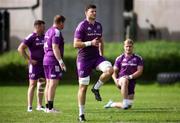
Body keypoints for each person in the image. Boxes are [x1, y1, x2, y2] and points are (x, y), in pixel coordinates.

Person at [74, 4, 113, 122]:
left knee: (110, 70)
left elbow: (100, 41)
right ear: (86, 13)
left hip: (96, 57)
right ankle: (81, 115)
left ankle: (96, 88)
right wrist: (90, 43)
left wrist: (101, 54)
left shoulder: (99, 26)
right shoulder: (81, 26)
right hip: (83, 60)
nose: (94, 13)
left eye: (95, 11)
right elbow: (75, 44)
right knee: (83, 87)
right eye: (92, 11)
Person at [104, 38, 144, 109]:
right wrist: (115, 80)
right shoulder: (119, 58)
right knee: (125, 80)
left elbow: (140, 71)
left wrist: (130, 77)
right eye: (126, 46)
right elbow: (114, 71)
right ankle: (125, 102)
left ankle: (112, 104)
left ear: (133, 47)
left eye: (130, 46)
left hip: (131, 81)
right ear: (124, 47)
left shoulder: (138, 58)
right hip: (121, 80)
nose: (128, 48)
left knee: (128, 105)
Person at [17, 20, 46, 112]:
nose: (44, 28)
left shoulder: (45, 37)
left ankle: (39, 105)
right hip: (34, 65)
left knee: (41, 84)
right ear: (37, 27)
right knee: (32, 84)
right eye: (43, 27)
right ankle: (29, 106)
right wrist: (29, 60)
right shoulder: (31, 37)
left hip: (44, 64)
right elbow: (20, 48)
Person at [43, 15, 66, 113]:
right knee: (53, 84)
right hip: (53, 60)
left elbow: (45, 47)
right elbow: (55, 47)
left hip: (46, 59)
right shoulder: (56, 32)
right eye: (63, 23)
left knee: (48, 84)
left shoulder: (48, 31)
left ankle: (47, 107)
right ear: (60, 22)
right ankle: (50, 108)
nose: (63, 25)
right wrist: (61, 62)